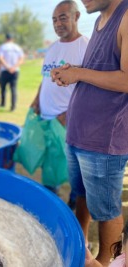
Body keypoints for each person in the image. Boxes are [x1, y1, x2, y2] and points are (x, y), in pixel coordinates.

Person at [51, 0, 128, 265]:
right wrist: (71, 73)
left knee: (107, 210)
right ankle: (80, 246)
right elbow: (98, 72)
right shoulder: (99, 20)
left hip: (103, 138)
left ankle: (108, 262)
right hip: (78, 132)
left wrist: (79, 74)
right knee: (81, 195)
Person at [31, 0, 89, 209]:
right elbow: (45, 77)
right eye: (54, 19)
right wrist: (37, 99)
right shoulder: (52, 48)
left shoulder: (87, 47)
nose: (57, 24)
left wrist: (69, 113)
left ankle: (74, 205)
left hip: (69, 122)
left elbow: (91, 88)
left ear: (76, 16)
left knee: (73, 169)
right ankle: (50, 204)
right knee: (51, 167)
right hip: (47, 120)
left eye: (63, 17)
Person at [0, 33, 24, 111]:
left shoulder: (3, 47)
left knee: (3, 88)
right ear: (12, 39)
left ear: (6, 39)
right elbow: (21, 59)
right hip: (15, 70)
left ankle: (3, 103)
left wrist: (8, 67)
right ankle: (13, 106)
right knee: (13, 88)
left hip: (5, 70)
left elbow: (0, 58)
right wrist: (14, 67)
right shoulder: (17, 47)